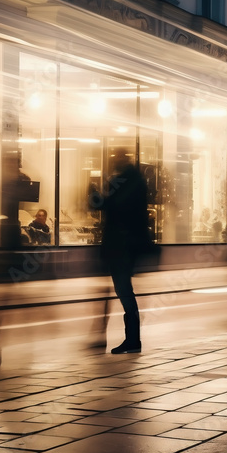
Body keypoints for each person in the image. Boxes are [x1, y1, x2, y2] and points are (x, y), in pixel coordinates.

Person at [88, 149, 150, 354]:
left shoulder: (127, 182)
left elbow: (115, 207)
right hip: (123, 244)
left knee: (124, 291)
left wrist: (97, 196)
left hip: (122, 245)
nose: (114, 162)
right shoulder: (131, 180)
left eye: (116, 159)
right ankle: (124, 337)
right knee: (122, 290)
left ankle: (132, 339)